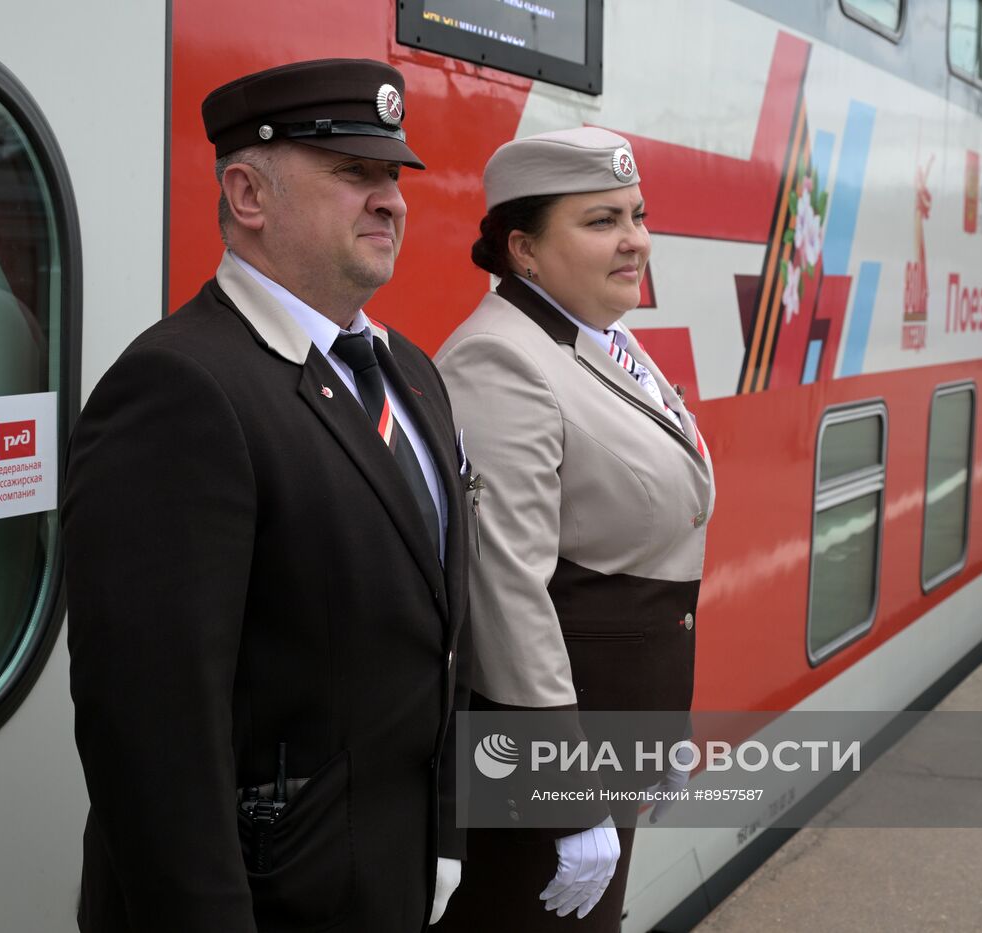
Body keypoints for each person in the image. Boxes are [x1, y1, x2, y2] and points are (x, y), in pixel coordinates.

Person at [63, 58, 469, 933]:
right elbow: (149, 736)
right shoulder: (179, 389)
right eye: (354, 173)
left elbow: (433, 641)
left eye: (393, 175)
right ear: (247, 193)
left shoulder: (412, 377)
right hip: (273, 901)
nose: (391, 199)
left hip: (391, 877)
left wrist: (445, 834)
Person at [432, 127, 715, 931]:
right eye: (602, 222)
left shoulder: (604, 338)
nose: (636, 241)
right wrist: (569, 800)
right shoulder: (502, 360)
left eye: (637, 214)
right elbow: (507, 592)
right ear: (523, 248)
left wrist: (662, 724)